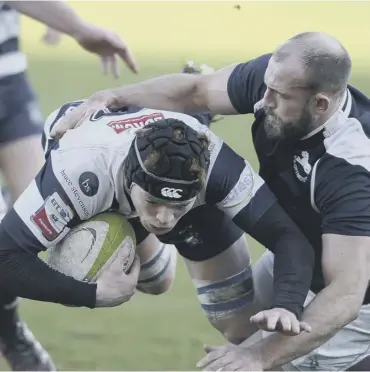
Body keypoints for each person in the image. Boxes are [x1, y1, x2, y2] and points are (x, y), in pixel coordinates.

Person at [53, 32, 370, 371]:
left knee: (259, 361)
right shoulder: (280, 82)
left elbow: (347, 293)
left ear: (321, 104)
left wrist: (258, 356)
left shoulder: (350, 169)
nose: (262, 102)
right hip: (303, 250)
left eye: (278, 96)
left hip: (350, 296)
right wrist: (112, 97)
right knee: (238, 327)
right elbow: (197, 91)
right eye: (266, 87)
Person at [0, 101, 315, 354]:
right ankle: (33, 207)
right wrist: (92, 294)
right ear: (130, 178)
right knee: (155, 280)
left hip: (173, 177)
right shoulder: (77, 174)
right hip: (93, 171)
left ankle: (163, 205)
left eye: (177, 205)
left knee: (235, 326)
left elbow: (288, 235)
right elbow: (4, 256)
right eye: (154, 203)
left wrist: (287, 305)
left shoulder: (219, 168)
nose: (164, 218)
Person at [0, 1, 138, 370]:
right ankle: (10, 332)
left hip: (7, 82)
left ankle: (8, 328)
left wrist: (75, 26)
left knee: (41, 221)